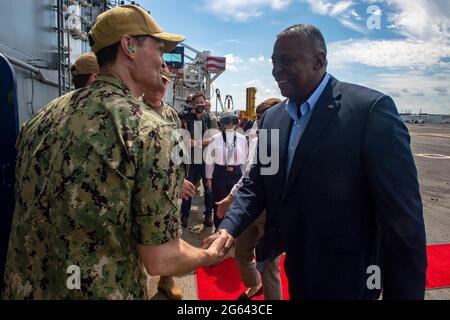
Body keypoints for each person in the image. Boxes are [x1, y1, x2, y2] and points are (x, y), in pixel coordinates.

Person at [2, 4, 228, 300]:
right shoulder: (148, 130)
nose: (162, 61)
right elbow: (160, 258)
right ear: (129, 46)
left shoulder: (42, 116)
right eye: (159, 49)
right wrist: (208, 255)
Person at [203, 24, 427, 300]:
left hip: (351, 276)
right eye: (274, 62)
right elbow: (256, 182)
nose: (275, 70)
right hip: (297, 266)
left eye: (285, 61)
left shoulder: (369, 111)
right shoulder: (273, 118)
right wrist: (228, 228)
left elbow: (403, 223)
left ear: (318, 61)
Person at [215, 98, 282, 300]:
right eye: (259, 118)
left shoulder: (286, 142)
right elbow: (248, 176)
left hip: (272, 213)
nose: (260, 122)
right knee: (242, 254)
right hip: (250, 207)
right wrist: (230, 198)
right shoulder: (254, 140)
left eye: (265, 117)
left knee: (270, 267)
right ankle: (254, 285)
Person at [142, 67, 196, 300]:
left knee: (170, 234)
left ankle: (166, 279)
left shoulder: (171, 115)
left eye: (163, 83)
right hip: (141, 191)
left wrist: (179, 180)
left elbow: (177, 154)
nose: (158, 88)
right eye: (155, 82)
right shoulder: (133, 110)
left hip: (167, 193)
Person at [180, 92, 219, 228]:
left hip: (206, 160)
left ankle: (208, 214)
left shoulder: (210, 119)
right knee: (188, 188)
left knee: (208, 189)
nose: (200, 104)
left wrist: (196, 143)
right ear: (192, 104)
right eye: (197, 102)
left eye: (202, 102)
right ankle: (184, 215)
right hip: (191, 160)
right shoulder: (186, 117)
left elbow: (214, 139)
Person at [205, 110, 248, 229]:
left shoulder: (242, 139)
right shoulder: (215, 138)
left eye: (233, 120)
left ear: (237, 123)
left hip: (237, 174)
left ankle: (231, 231)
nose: (230, 124)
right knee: (219, 203)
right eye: (226, 121)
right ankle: (218, 230)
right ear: (221, 123)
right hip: (219, 173)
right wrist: (209, 178)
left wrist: (244, 178)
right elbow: (210, 160)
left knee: (235, 204)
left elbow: (244, 161)